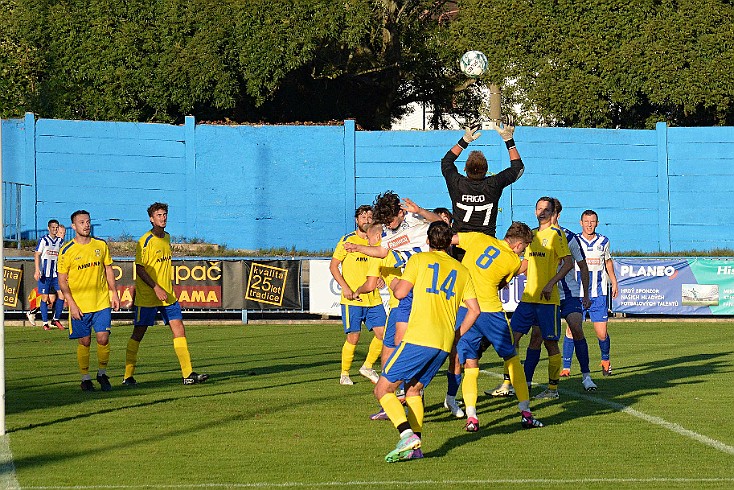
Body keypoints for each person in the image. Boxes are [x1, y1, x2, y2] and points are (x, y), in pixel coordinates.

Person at [344, 193, 465, 418]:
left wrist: (419, 211)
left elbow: (439, 223)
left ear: (400, 213)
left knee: (404, 342)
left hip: (419, 286)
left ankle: (408, 394)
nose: (388, 225)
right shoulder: (389, 232)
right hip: (405, 291)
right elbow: (381, 251)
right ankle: (396, 397)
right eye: (384, 221)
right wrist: (358, 248)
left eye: (389, 220)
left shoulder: (415, 219)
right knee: (391, 345)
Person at [373, 220, 480, 462]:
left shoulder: (419, 260)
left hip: (419, 337)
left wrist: (390, 279)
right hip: (442, 342)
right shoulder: (462, 271)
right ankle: (416, 449)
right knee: (414, 390)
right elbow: (474, 310)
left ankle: (406, 434)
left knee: (382, 389)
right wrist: (457, 333)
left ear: (428, 241)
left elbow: (400, 293)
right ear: (449, 242)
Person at [454, 221, 544, 432]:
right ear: (518, 244)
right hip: (489, 311)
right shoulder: (512, 260)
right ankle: (526, 413)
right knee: (511, 358)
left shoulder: (479, 238)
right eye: (524, 247)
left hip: (464, 308)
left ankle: (472, 417)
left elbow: (452, 239)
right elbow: (502, 283)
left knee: (470, 363)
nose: (523, 251)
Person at [124, 202, 209, 386]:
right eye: (159, 215)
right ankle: (127, 376)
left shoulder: (167, 237)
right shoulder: (144, 241)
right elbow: (139, 269)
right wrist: (155, 287)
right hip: (148, 296)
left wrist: (164, 288)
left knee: (179, 328)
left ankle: (188, 374)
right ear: (151, 219)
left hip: (167, 295)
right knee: (139, 333)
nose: (163, 218)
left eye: (164, 214)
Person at [508, 197, 574, 400]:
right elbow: (525, 263)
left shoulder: (556, 234)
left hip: (547, 300)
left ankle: (552, 389)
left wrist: (550, 283)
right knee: (512, 339)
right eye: (539, 208)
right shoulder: (532, 235)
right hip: (528, 298)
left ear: (553, 213)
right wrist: (505, 277)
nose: (542, 212)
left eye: (546, 209)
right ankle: (514, 383)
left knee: (549, 343)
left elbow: (568, 263)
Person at [533, 199, 597, 391]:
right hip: (545, 296)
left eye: (549, 212)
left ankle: (586, 376)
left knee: (576, 328)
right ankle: (524, 381)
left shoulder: (569, 238)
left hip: (569, 294)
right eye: (541, 211)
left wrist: (585, 293)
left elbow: (583, 266)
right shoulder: (534, 235)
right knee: (537, 337)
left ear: (557, 215)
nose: (545, 215)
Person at [57, 210, 120, 392]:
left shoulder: (100, 245)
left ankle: (102, 373)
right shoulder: (67, 250)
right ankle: (85, 378)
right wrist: (72, 304)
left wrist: (113, 293)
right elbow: (62, 281)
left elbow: (108, 269)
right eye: (82, 222)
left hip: (101, 302)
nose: (86, 225)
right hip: (80, 305)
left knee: (103, 338)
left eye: (88, 221)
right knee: (85, 342)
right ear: (73, 226)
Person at [330, 205, 386, 385]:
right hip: (352, 298)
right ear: (357, 220)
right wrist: (345, 287)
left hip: (373, 298)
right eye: (363, 217)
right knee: (353, 336)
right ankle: (344, 373)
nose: (367, 220)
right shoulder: (347, 240)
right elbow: (333, 266)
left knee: (383, 335)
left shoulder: (377, 241)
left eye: (370, 217)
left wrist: (382, 278)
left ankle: (367, 367)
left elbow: (381, 262)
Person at [440, 117, 524, 237]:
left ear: (464, 169)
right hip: (486, 245)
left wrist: (464, 140)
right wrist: (509, 140)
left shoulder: (457, 183)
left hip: (460, 245)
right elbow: (518, 168)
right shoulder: (493, 184)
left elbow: (446, 162)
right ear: (486, 170)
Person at [577, 209, 619, 376]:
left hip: (598, 293)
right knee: (572, 330)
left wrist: (614, 282)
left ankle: (605, 360)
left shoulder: (603, 241)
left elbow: (608, 262)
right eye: (586, 221)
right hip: (578, 293)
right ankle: (565, 368)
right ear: (581, 223)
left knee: (601, 333)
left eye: (592, 221)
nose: (589, 224)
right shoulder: (574, 241)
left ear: (597, 223)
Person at [26, 219, 66, 330]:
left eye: (56, 227)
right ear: (49, 228)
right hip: (45, 274)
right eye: (53, 227)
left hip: (56, 275)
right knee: (45, 298)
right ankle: (44, 323)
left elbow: (63, 258)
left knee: (61, 296)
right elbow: (37, 254)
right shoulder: (44, 240)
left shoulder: (60, 242)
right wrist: (37, 270)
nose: (55, 229)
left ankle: (56, 319)